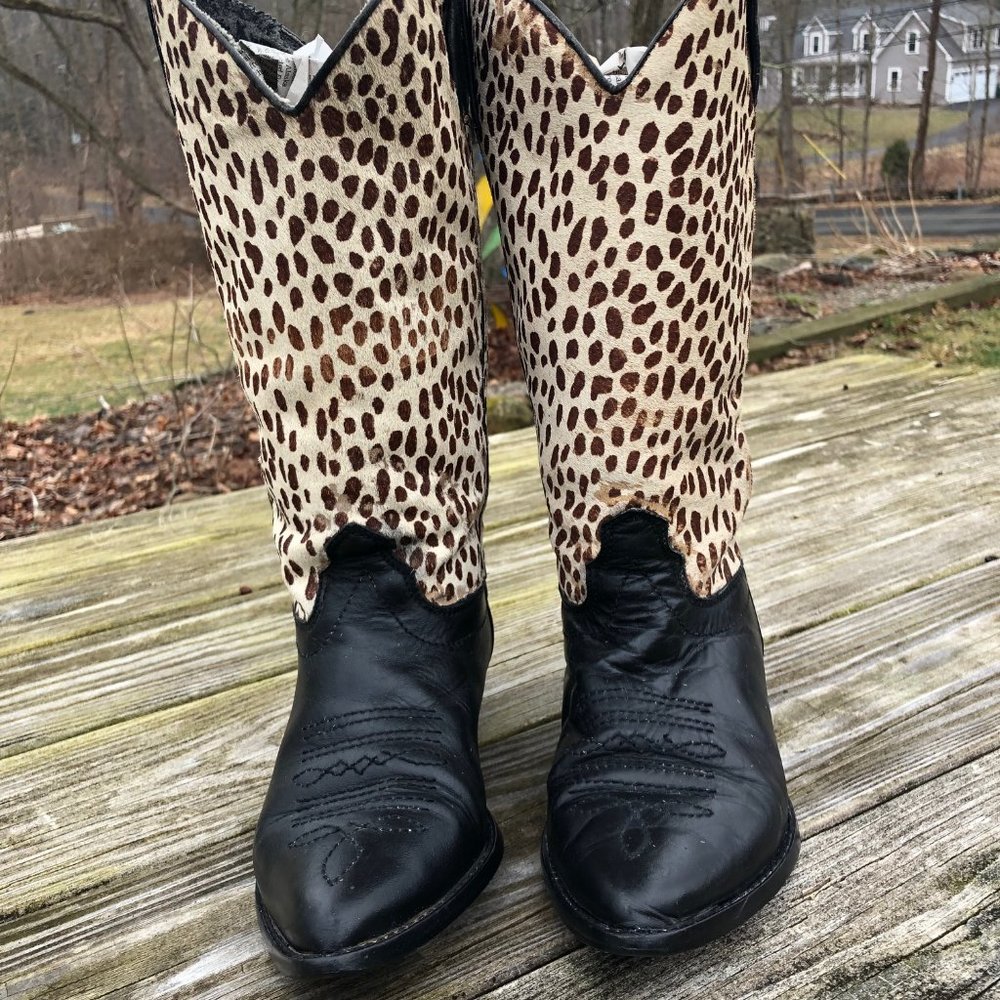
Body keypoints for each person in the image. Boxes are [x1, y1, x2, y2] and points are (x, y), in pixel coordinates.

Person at [147, 0, 797, 975]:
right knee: (332, 129)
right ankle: (395, 628)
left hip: (669, 592)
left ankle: (668, 613)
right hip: (363, 593)